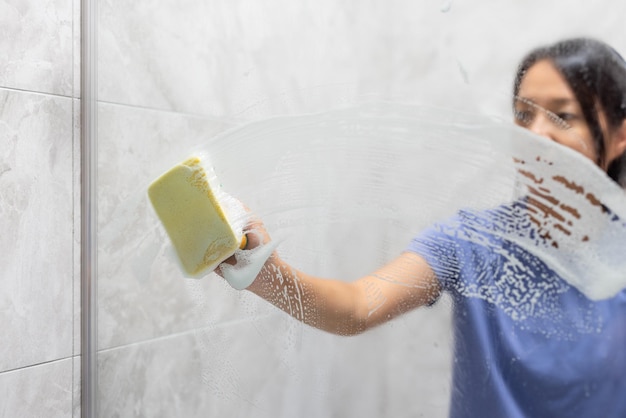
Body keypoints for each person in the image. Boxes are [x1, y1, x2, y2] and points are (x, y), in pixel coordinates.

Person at [218, 38, 626, 417]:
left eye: (562, 115)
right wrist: (265, 273)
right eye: (523, 115)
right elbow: (357, 307)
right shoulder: (472, 242)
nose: (535, 134)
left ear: (620, 134)